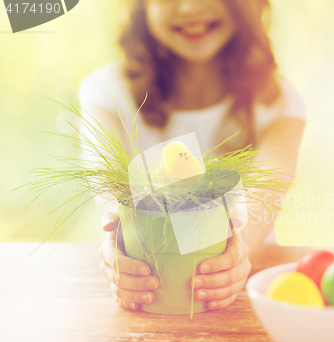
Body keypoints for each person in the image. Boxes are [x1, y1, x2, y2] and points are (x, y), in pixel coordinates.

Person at [78, 0, 306, 312]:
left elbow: (269, 183)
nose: (189, 8)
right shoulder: (105, 92)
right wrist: (117, 238)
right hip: (149, 297)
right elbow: (104, 181)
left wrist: (234, 253)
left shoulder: (279, 102)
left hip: (244, 299)